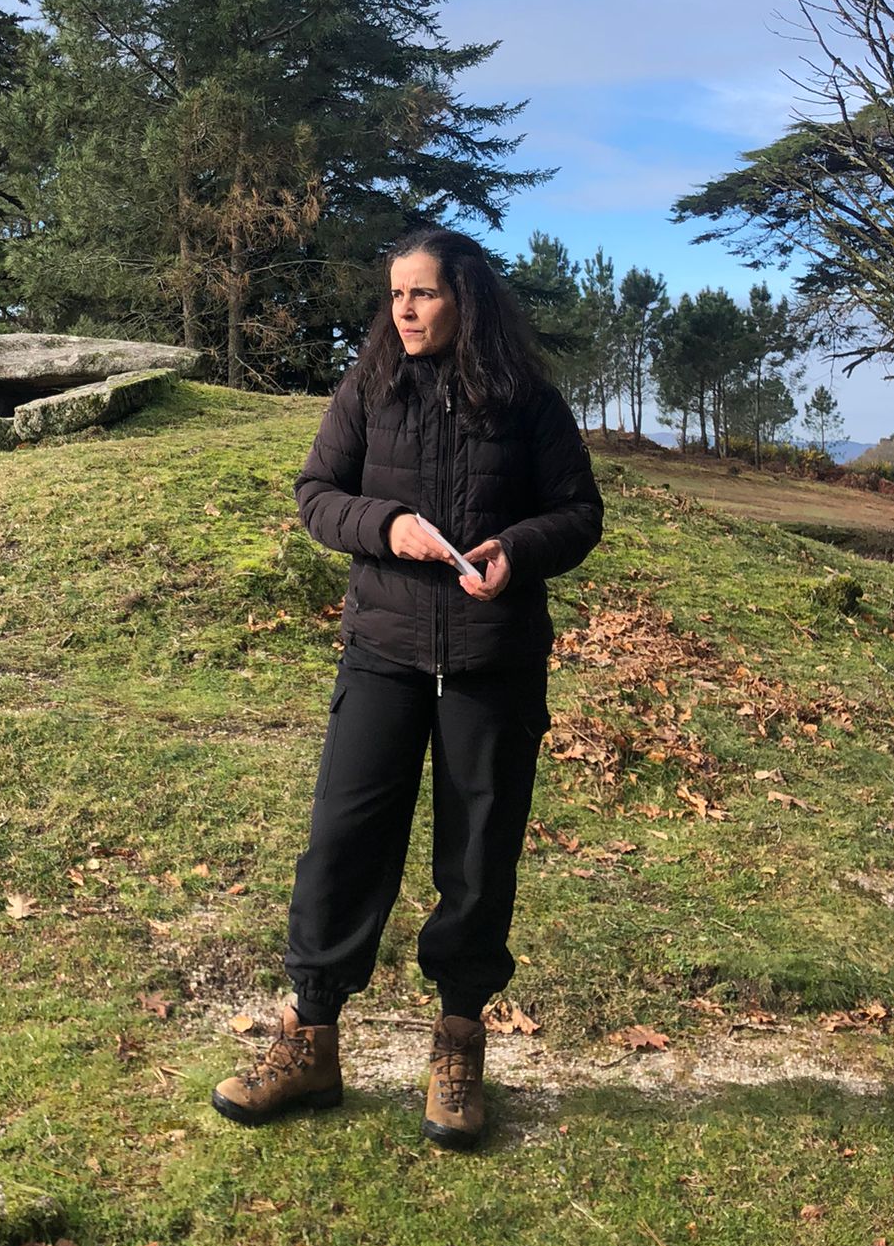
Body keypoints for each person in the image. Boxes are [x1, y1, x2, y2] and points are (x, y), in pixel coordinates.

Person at [211, 227, 603, 1147]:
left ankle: (458, 1046)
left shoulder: (527, 398)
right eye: (396, 296)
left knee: (477, 858)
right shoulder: (371, 385)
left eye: (422, 294)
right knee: (342, 842)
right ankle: (310, 1043)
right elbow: (316, 493)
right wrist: (384, 527)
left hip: (493, 661)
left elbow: (580, 512)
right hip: (382, 651)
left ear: (466, 296)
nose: (406, 311)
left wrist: (517, 550)